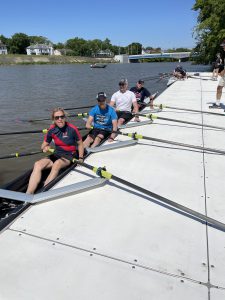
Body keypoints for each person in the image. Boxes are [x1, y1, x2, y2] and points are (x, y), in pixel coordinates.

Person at [26, 108, 84, 194]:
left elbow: (80, 144)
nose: (60, 119)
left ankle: (43, 192)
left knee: (57, 164)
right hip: (57, 154)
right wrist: (46, 147)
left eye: (62, 117)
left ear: (65, 117)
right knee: (37, 164)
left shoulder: (72, 129)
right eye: (57, 117)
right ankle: (28, 194)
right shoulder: (52, 129)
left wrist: (81, 158)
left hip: (69, 156)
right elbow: (43, 145)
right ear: (53, 119)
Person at [211, 40, 225, 108]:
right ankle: (217, 104)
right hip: (224, 75)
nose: (223, 47)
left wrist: (223, 71)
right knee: (219, 88)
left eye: (224, 46)